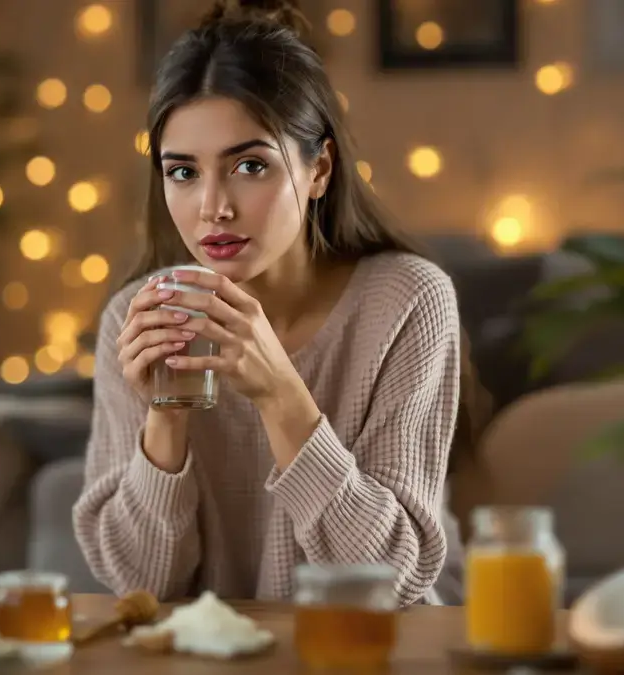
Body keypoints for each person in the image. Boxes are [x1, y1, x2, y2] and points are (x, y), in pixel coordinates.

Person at [72, 0, 490, 606]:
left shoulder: (407, 301)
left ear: (318, 169)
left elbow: (393, 579)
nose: (214, 206)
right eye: (183, 172)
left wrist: (279, 392)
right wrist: (166, 415)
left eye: (249, 165)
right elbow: (139, 585)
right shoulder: (137, 318)